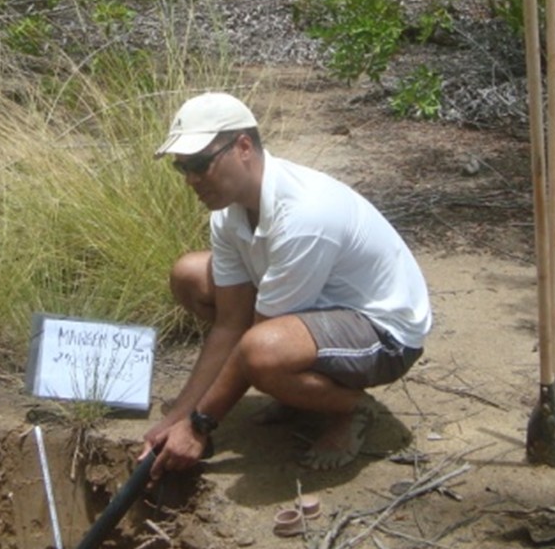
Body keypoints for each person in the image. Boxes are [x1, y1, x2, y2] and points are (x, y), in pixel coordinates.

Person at [141, 91, 432, 478]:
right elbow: (230, 324)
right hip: (318, 310)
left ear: (243, 147)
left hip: (385, 331)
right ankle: (302, 393)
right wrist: (176, 417)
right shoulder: (227, 212)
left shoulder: (305, 214)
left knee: (263, 352)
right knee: (190, 275)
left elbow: (252, 342)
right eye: (183, 168)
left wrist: (198, 426)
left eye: (200, 164)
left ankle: (351, 407)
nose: (192, 179)